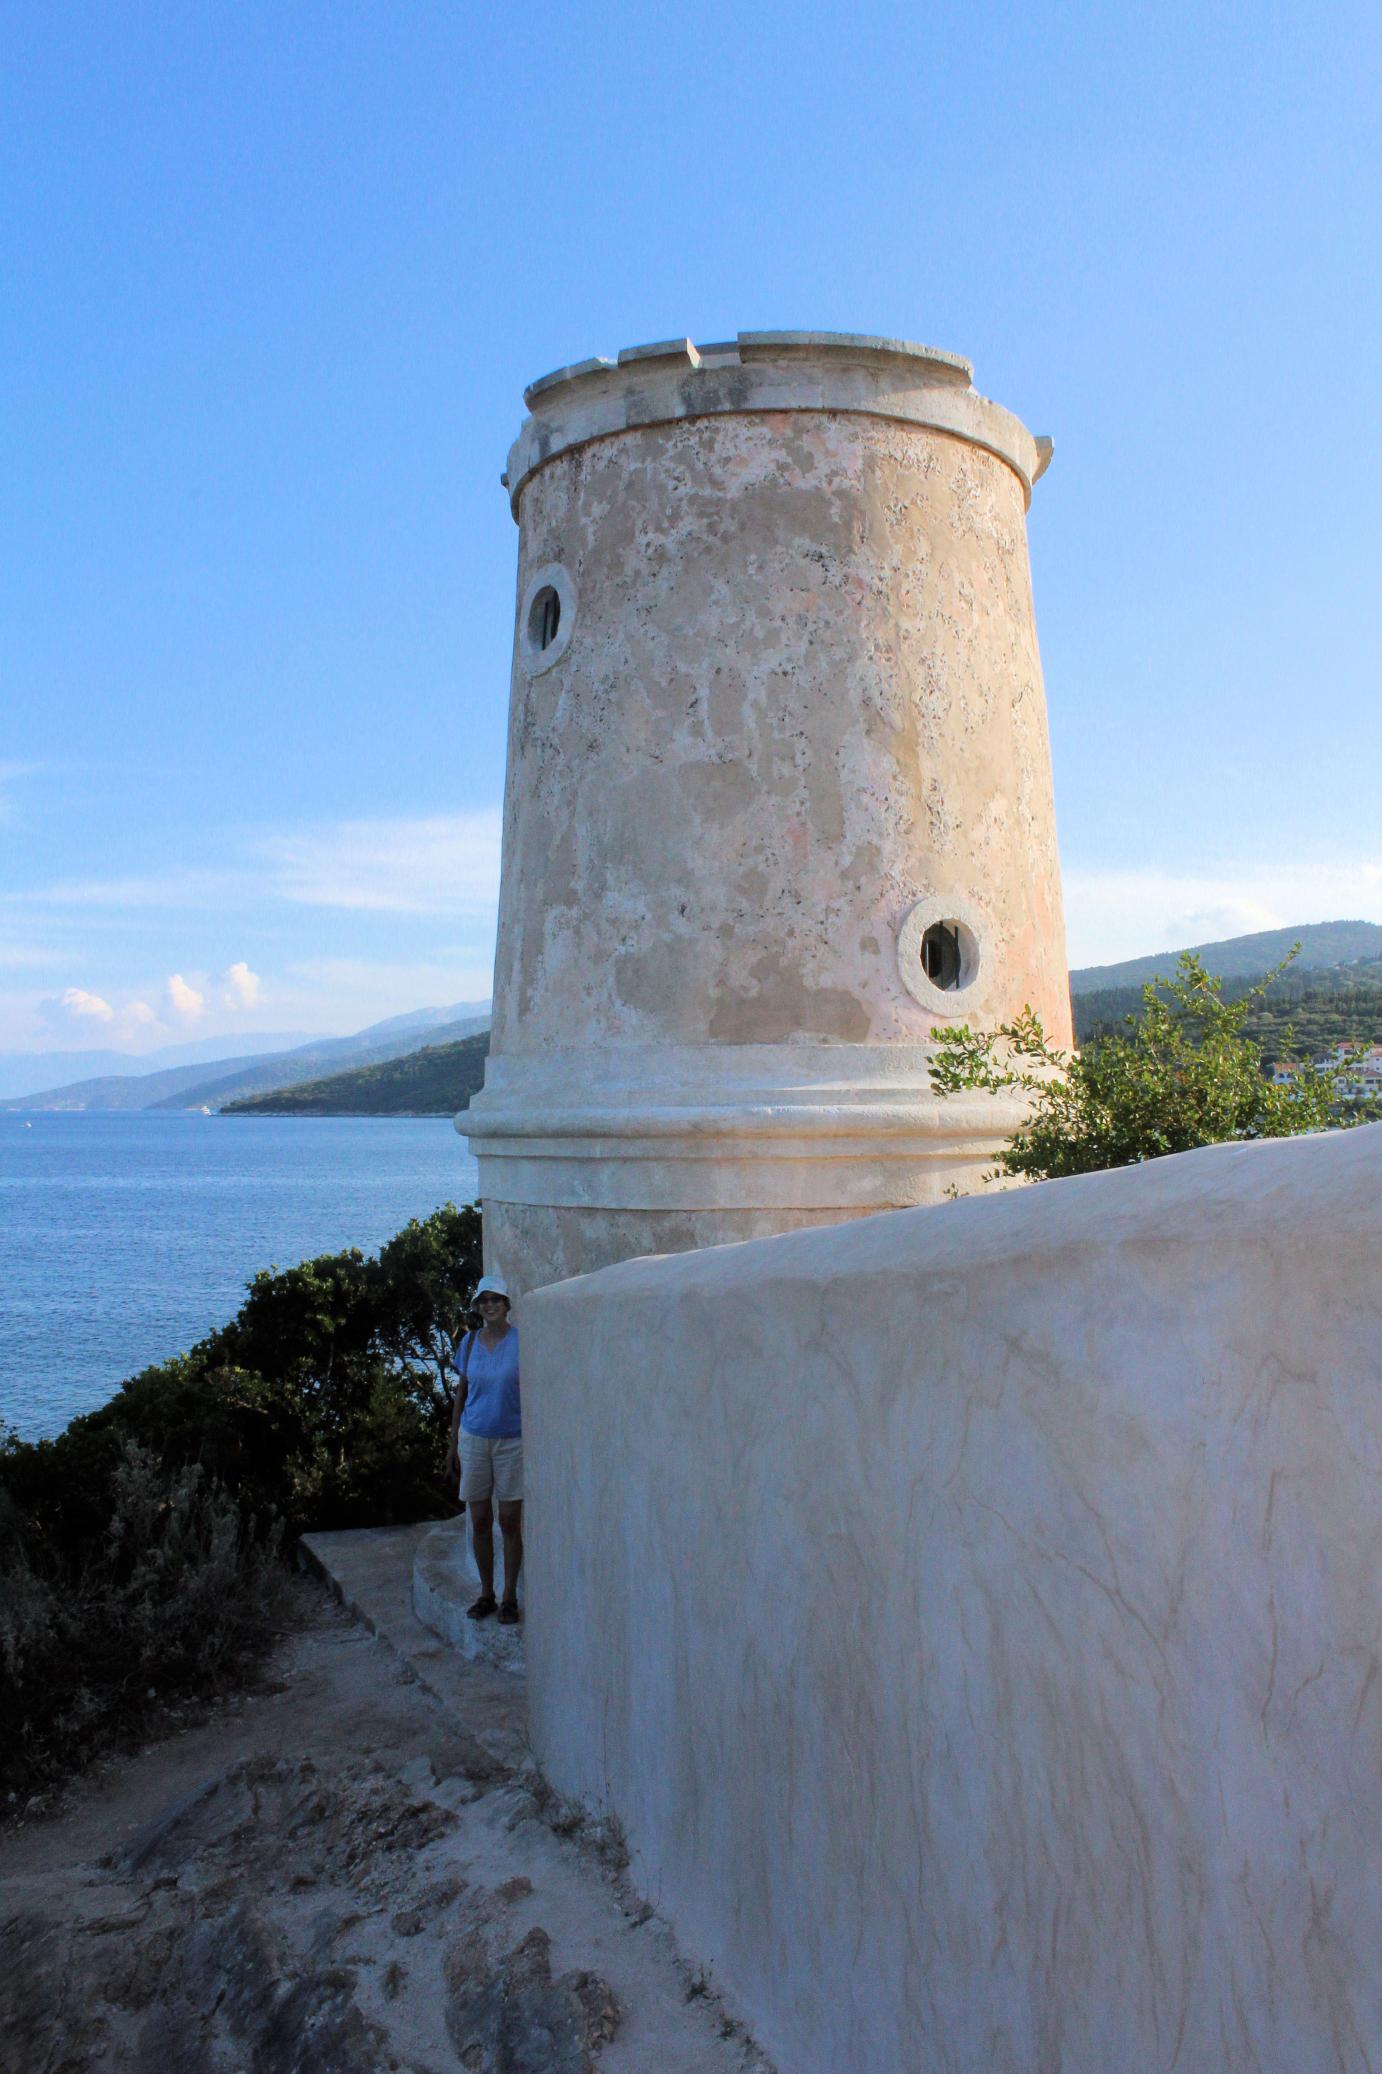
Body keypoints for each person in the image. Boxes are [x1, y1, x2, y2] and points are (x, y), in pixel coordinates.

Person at [445, 1273, 522, 1624]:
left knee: (508, 1521)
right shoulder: (471, 1344)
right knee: (478, 1519)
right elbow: (461, 1393)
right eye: (484, 1300)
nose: (490, 1305)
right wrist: (452, 1442)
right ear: (478, 1306)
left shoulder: (522, 1342)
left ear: (507, 1305)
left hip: (512, 1441)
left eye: (496, 1299)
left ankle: (509, 1597)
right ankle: (486, 1593)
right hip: (474, 1439)